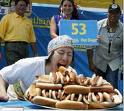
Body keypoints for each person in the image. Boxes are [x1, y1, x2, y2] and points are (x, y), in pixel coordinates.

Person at [0, 35, 76, 101]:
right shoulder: (30, 64)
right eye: (61, 53)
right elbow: (2, 75)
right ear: (50, 54)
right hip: (17, 99)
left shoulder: (71, 74)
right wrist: (2, 93)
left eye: (69, 54)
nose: (65, 58)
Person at [87, 3, 123, 89]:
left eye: (116, 13)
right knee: (97, 86)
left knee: (111, 86)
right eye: (111, 12)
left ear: (120, 14)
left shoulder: (123, 29)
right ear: (107, 13)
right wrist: (91, 63)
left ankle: (114, 102)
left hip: (114, 61)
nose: (113, 15)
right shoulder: (97, 25)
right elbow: (89, 46)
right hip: (99, 61)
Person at [0, 0, 37, 66]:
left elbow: (32, 39)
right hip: (11, 47)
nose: (22, 7)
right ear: (15, 6)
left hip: (25, 47)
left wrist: (35, 53)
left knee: (23, 69)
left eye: (24, 6)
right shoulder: (7, 18)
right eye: (20, 5)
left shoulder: (28, 21)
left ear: (26, 8)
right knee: (13, 68)